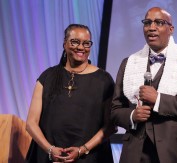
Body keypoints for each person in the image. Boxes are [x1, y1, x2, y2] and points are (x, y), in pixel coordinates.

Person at [111, 7, 177, 163]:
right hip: (136, 153)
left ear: (171, 29)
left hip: (175, 153)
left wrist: (158, 99)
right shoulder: (129, 62)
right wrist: (131, 116)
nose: (151, 27)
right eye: (147, 22)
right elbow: (114, 110)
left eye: (159, 22)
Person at [25, 24, 115, 163]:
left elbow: (110, 126)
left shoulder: (104, 80)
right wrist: (50, 149)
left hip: (89, 157)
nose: (81, 47)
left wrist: (82, 150)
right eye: (75, 42)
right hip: (48, 157)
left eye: (86, 43)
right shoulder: (47, 76)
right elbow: (31, 122)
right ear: (64, 44)